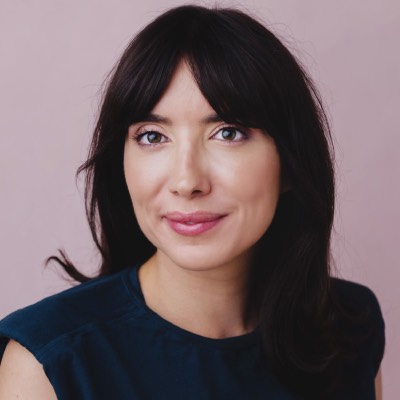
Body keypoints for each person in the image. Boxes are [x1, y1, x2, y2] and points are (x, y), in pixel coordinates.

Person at [0, 4, 385, 400]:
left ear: (290, 161)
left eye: (228, 133)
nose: (187, 182)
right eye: (152, 136)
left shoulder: (349, 329)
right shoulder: (49, 366)